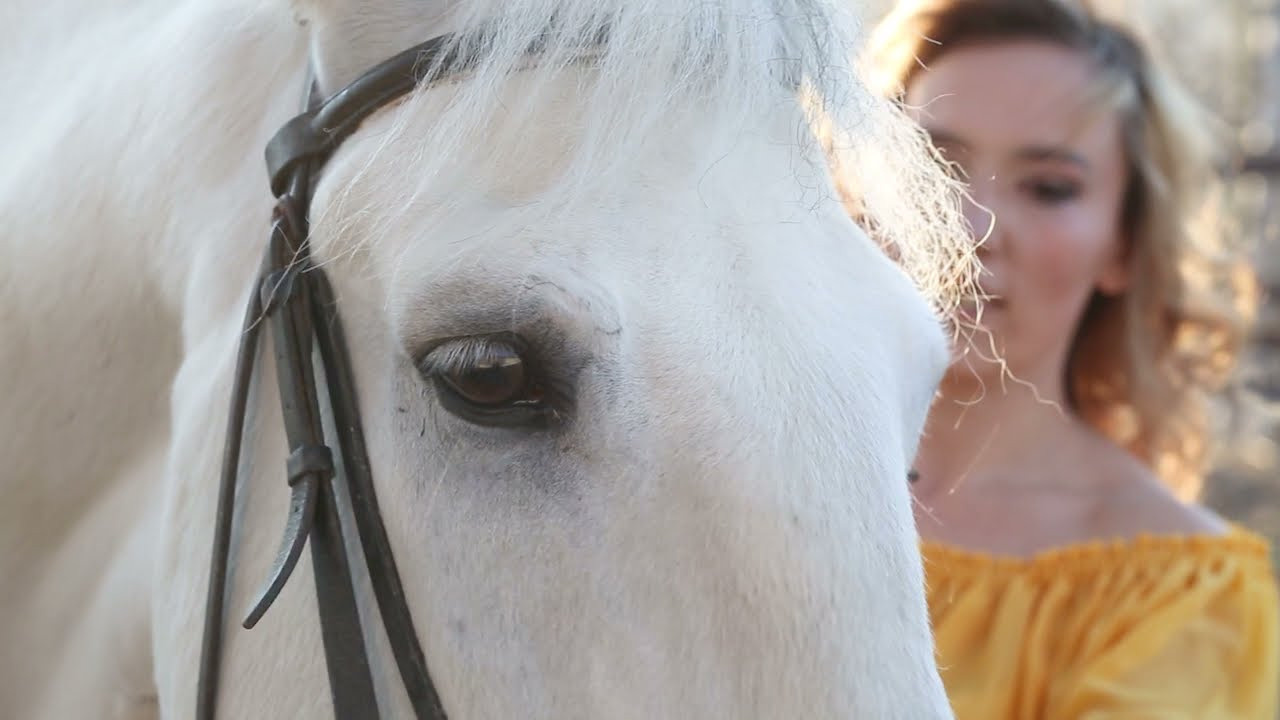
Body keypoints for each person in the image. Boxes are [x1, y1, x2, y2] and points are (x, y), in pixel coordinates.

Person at [864, 0, 1280, 717]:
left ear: (1123, 245)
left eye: (1049, 187)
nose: (971, 228)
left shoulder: (1180, 596)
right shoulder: (710, 476)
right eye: (935, 164)